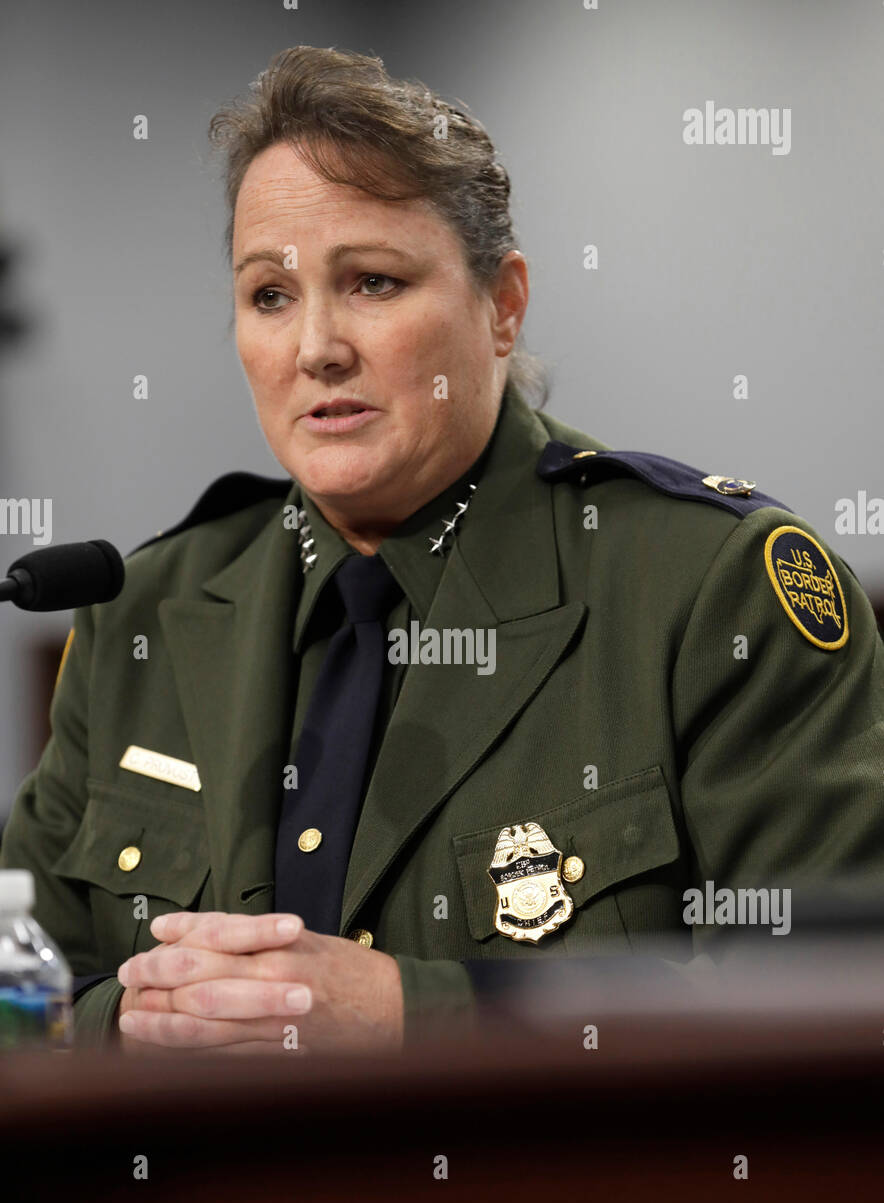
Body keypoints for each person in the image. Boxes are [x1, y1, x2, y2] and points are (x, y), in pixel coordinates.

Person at [1, 46, 882, 1054]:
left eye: (372, 282)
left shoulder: (710, 592)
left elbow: (829, 1004)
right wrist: (135, 1020)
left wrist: (416, 1015)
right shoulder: (146, 610)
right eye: (270, 296)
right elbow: (17, 986)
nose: (315, 347)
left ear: (501, 305)